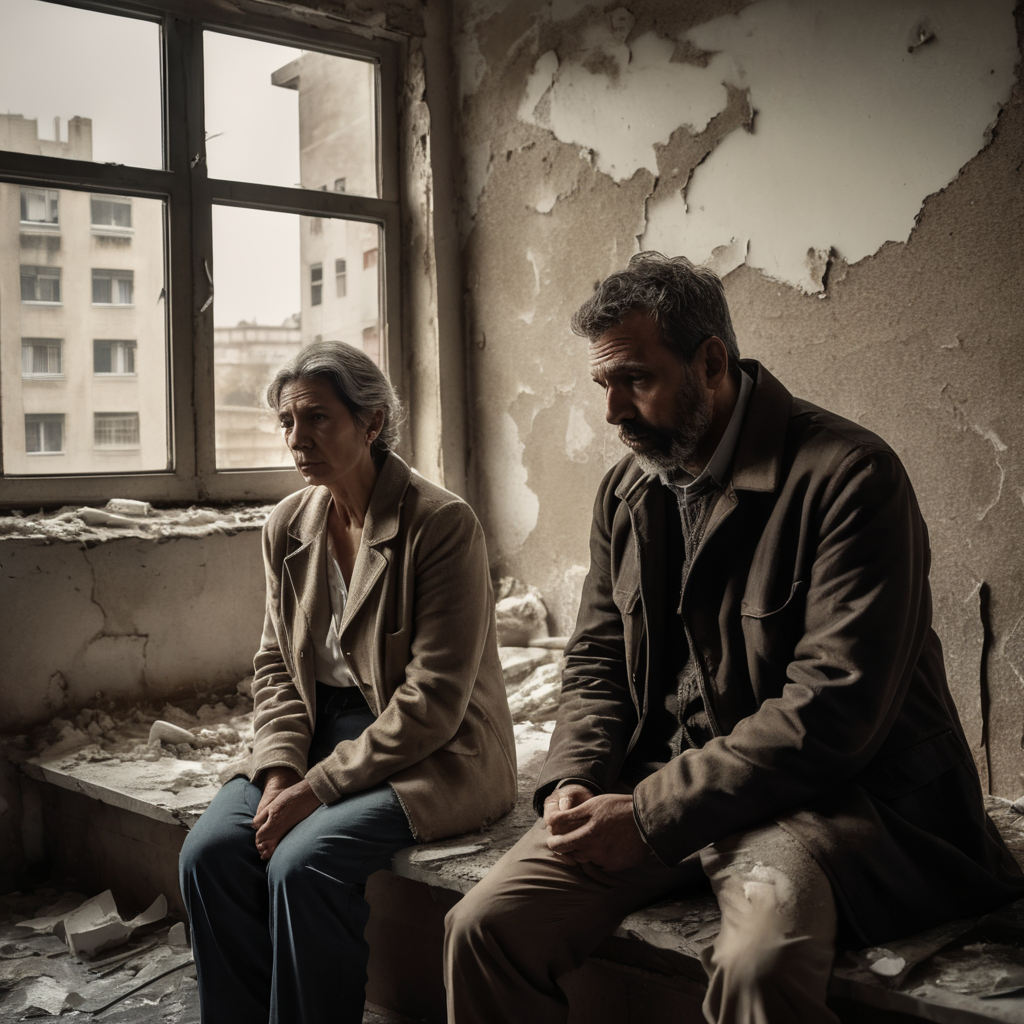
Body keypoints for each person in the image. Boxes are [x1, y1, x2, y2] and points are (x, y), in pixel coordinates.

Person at [443, 253, 1024, 1024]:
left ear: (711, 361)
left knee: (758, 968)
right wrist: (576, 777)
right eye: (602, 386)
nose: (612, 411)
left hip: (828, 802)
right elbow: (598, 659)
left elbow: (832, 711)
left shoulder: (853, 476)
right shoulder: (628, 487)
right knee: (482, 928)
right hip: (666, 783)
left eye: (636, 380)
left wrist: (648, 815)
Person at [180, 341, 517, 1024]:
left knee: (302, 864)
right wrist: (278, 772)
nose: (297, 440)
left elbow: (434, 700)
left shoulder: (441, 523)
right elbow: (276, 663)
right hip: (318, 730)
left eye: (317, 419)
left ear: (371, 423)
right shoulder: (287, 525)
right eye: (287, 423)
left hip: (433, 745)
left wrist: (316, 789)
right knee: (209, 852)